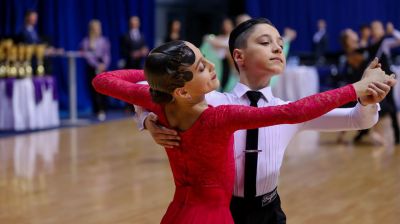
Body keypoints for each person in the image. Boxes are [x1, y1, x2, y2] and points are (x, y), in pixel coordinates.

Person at [137, 19, 396, 224]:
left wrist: (369, 100)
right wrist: (149, 120)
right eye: (265, 42)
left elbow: (356, 120)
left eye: (279, 43)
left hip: (269, 212)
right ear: (239, 57)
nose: (277, 48)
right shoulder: (211, 102)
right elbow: (147, 87)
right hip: (222, 211)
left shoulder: (290, 111)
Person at [80, 19, 111, 121]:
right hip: (92, 67)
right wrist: (97, 65)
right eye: (95, 28)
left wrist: (104, 65)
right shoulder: (86, 41)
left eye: (99, 28)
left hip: (102, 66)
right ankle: (97, 109)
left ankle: (104, 108)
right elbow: (87, 56)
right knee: (94, 89)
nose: (98, 30)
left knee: (104, 88)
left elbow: (107, 54)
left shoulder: (104, 40)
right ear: (91, 29)